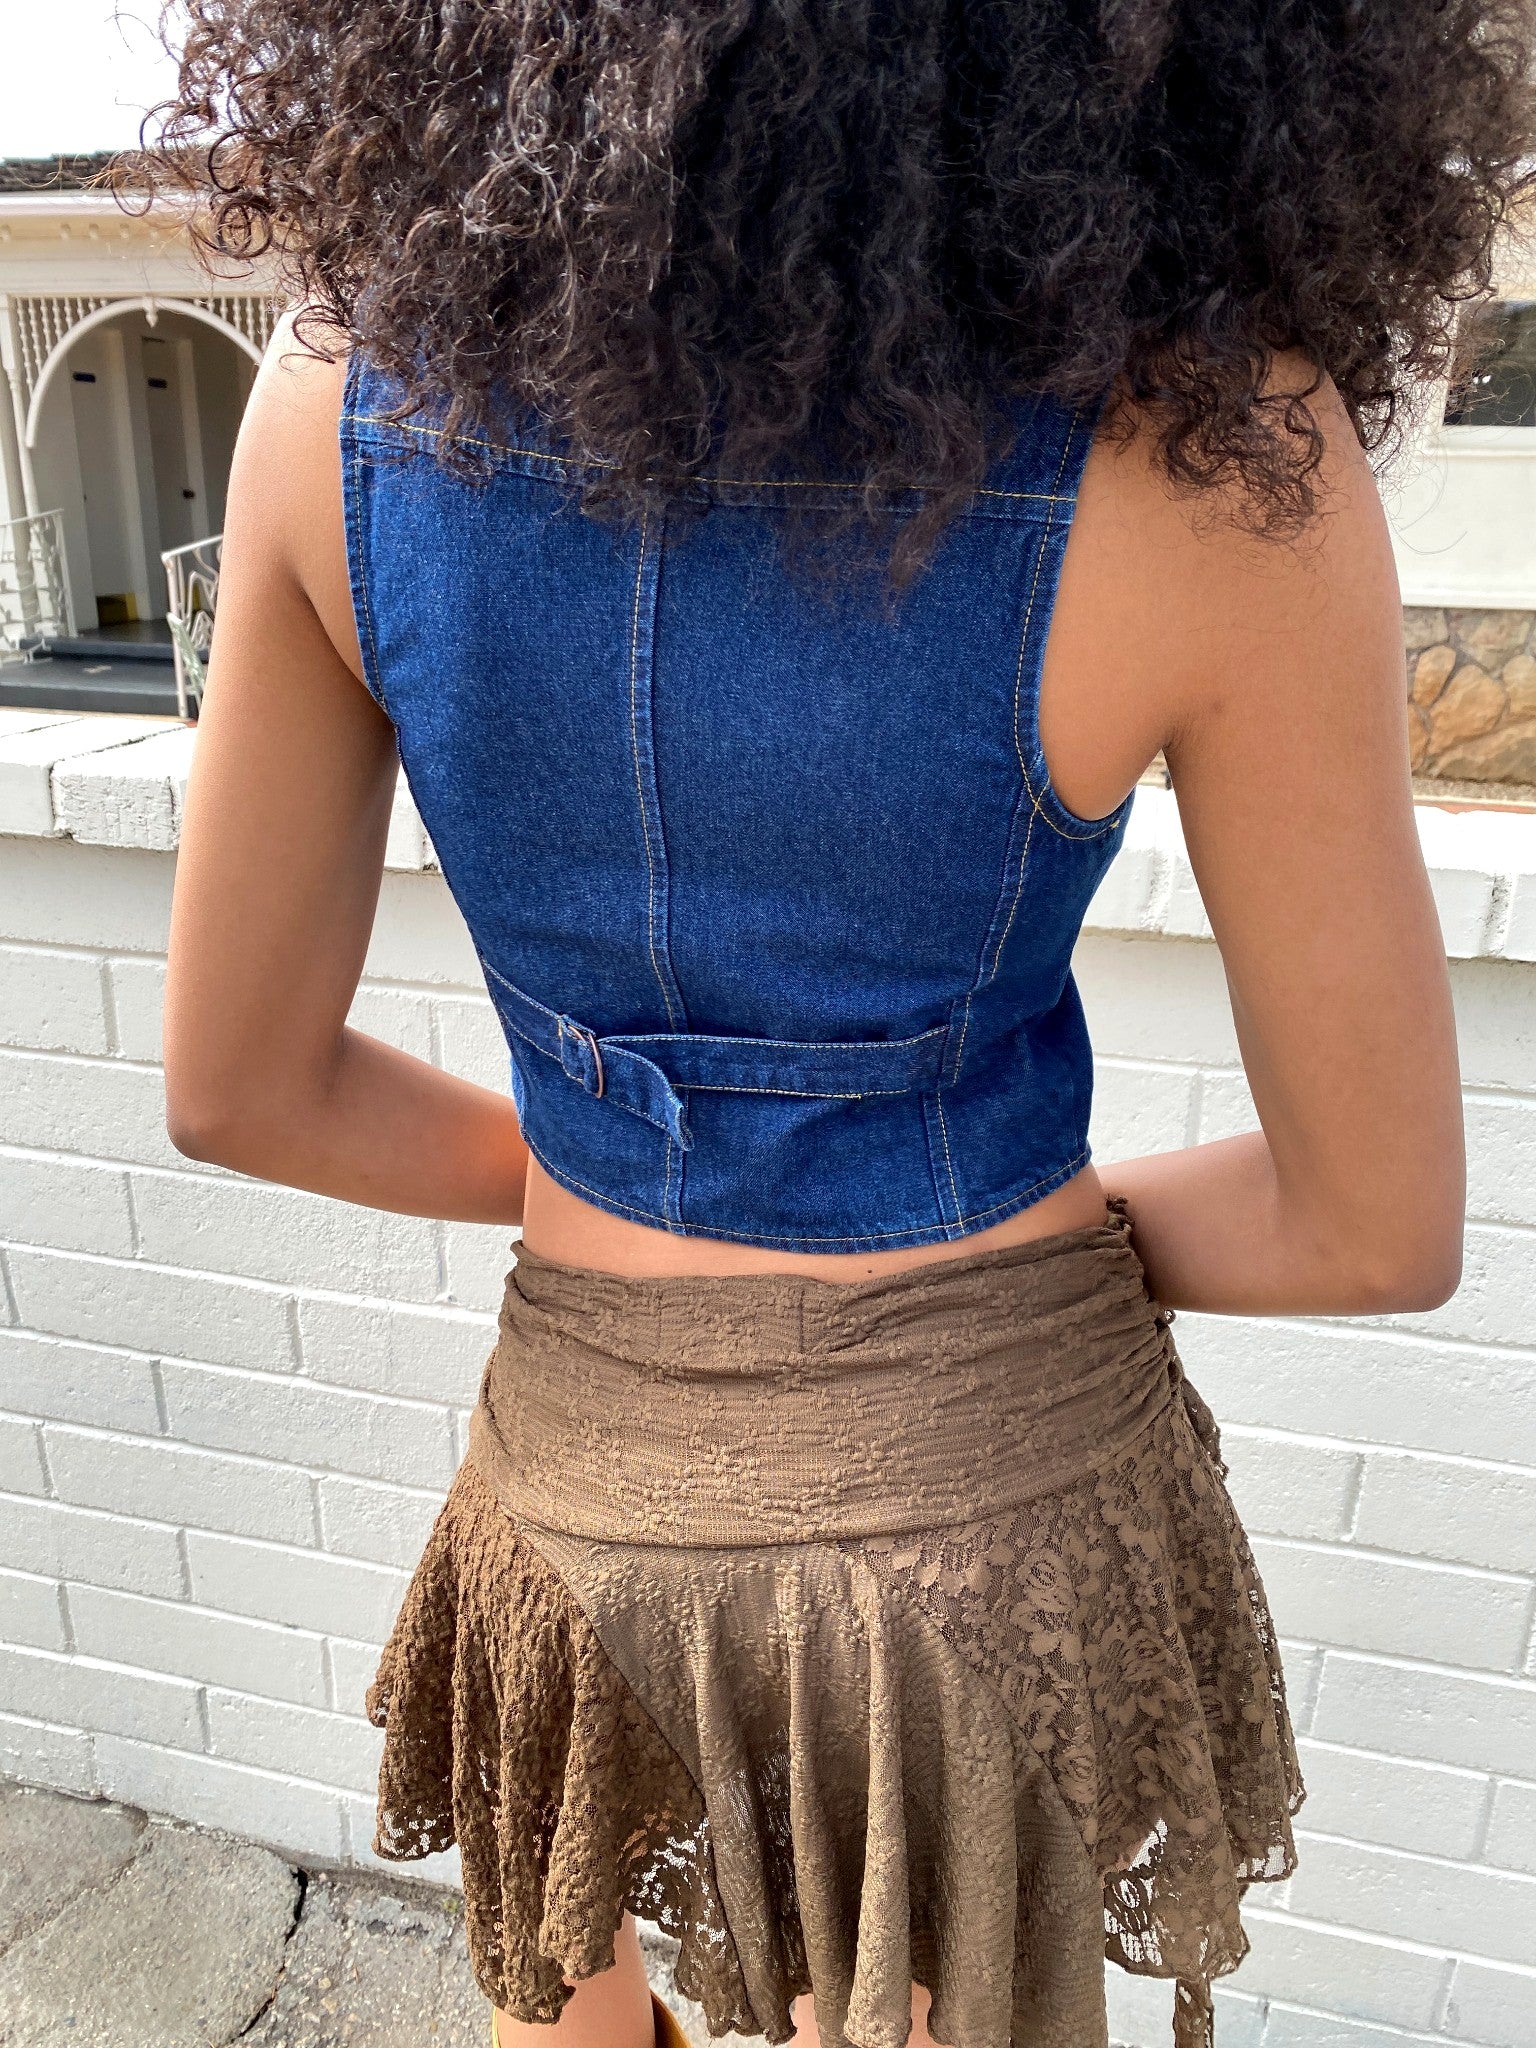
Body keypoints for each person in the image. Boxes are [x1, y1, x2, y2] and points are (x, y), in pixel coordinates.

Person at [139, 3, 1532, 2045]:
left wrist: (589, 1173)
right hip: (993, 1518)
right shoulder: (1219, 451)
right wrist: (1015, 1267)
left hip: (583, 1490)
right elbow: (1372, 1224)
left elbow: (233, 1086)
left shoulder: (337, 408)